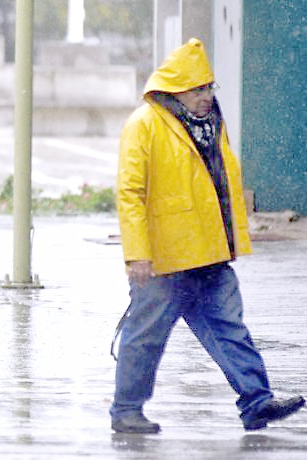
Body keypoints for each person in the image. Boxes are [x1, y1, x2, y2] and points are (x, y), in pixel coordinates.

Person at [111, 38, 304, 433]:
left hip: (210, 254)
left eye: (209, 87)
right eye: (198, 88)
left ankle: (257, 402)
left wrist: (233, 237)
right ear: (176, 88)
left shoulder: (211, 125)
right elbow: (130, 194)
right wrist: (137, 254)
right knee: (145, 338)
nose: (206, 96)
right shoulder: (144, 125)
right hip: (164, 261)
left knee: (229, 329)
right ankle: (127, 412)